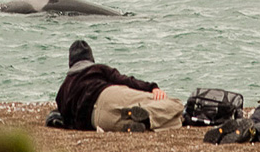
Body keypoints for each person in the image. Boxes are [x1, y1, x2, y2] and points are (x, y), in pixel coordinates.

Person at [53, 40, 183, 132]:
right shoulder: (97, 69)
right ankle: (147, 113)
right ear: (90, 58)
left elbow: (67, 121)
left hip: (95, 121)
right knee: (175, 105)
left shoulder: (63, 90)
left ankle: (138, 120)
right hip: (107, 94)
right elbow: (125, 80)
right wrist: (152, 87)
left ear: (71, 62)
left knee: (137, 123)